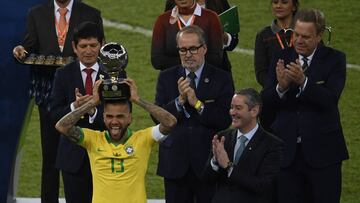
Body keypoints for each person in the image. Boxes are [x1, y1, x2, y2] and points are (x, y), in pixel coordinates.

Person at [12, 0, 103, 202]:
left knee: (90, 154)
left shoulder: (91, 13)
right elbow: (30, 46)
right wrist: (21, 50)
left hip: (83, 89)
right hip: (49, 94)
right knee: (50, 155)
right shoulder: (36, 13)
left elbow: (98, 50)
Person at [261, 8, 349, 203]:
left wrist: (304, 82)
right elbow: (265, 101)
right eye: (296, 35)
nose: (299, 41)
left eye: (306, 37)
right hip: (286, 153)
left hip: (324, 154)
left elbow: (330, 99)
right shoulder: (280, 57)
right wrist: (280, 87)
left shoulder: (335, 59)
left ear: (319, 36)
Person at [55, 78, 177, 203]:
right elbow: (62, 126)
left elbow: (170, 122)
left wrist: (137, 100)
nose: (114, 122)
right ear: (103, 117)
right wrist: (92, 103)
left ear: (130, 118)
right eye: (109, 116)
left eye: (120, 116)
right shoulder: (93, 139)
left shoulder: (143, 139)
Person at [154, 25, 234, 203]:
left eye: (193, 48)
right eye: (183, 49)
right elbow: (158, 116)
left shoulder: (222, 78)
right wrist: (180, 101)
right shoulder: (166, 77)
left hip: (208, 162)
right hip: (175, 163)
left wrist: (197, 104)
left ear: (204, 49)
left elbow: (224, 119)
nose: (188, 54)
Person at [49, 21, 105, 203]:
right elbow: (54, 114)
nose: (88, 51)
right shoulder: (62, 75)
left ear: (102, 45)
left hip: (104, 156)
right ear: (74, 47)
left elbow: (123, 114)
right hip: (72, 158)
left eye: (93, 45)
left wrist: (93, 110)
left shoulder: (115, 74)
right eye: (83, 46)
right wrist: (75, 107)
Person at [202, 88, 283, 203]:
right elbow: (207, 181)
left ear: (254, 111)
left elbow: (262, 185)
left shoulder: (272, 145)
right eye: (231, 107)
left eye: (238, 108)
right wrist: (215, 161)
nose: (232, 112)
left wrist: (228, 166)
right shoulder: (222, 138)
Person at [254, 0, 299, 132]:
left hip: (300, 97)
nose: (278, 6)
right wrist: (280, 87)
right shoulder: (264, 35)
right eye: (275, 2)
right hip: (274, 100)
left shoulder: (304, 32)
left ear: (294, 6)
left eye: (284, 2)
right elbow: (261, 73)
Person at [164, 0, 239, 73]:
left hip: (218, 72)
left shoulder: (218, 1)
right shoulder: (174, 3)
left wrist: (223, 36)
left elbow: (233, 42)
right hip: (184, 72)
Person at [151, 0, 223, 72]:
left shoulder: (211, 18)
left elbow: (216, 58)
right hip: (172, 79)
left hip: (205, 78)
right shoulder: (163, 20)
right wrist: (191, 60)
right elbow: (157, 60)